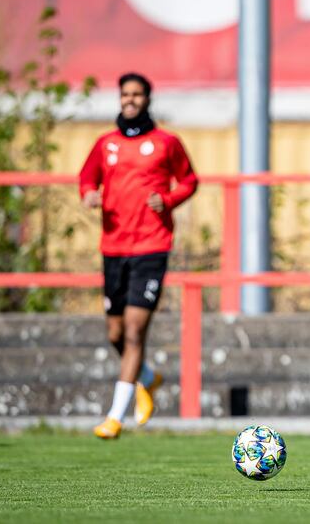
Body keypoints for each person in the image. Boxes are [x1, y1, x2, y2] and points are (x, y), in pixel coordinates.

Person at [79, 72, 198, 439]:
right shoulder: (106, 144)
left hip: (152, 245)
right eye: (125, 94)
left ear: (148, 99)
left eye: (137, 94)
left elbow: (190, 180)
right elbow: (87, 178)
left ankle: (115, 417)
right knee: (115, 332)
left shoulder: (166, 143)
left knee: (133, 332)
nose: (130, 100)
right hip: (114, 246)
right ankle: (147, 378)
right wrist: (89, 195)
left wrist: (169, 200)